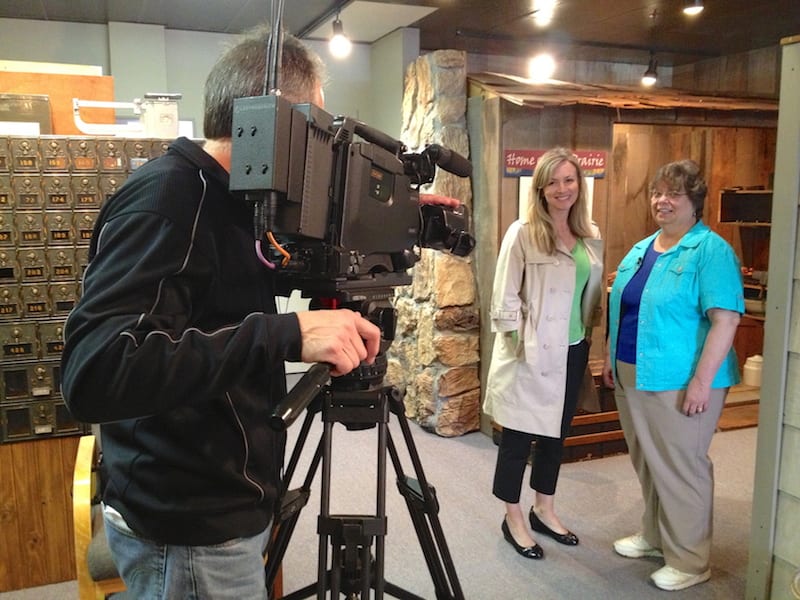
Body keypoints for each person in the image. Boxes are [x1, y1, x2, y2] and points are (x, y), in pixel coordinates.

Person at [60, 27, 457, 599]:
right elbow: (96, 371)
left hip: (223, 499)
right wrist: (285, 334)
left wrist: (398, 215)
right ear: (282, 125)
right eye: (319, 132)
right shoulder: (168, 202)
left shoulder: (233, 200)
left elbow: (225, 293)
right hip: (192, 530)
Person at [602, 159, 743, 591]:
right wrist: (610, 357)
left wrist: (702, 382)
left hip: (680, 381)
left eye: (673, 194)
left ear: (693, 201)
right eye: (657, 193)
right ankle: (657, 536)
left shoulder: (710, 250)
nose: (662, 201)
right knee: (649, 462)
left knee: (682, 467)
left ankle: (690, 559)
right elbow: (626, 308)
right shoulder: (644, 248)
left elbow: (726, 320)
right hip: (633, 373)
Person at [483, 147, 604, 559]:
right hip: (530, 353)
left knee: (556, 437)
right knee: (517, 440)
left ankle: (544, 509)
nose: (562, 189)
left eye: (569, 180)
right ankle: (513, 517)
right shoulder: (522, 231)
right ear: (540, 188)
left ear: (579, 185)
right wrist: (517, 345)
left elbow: (589, 295)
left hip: (573, 351)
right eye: (552, 181)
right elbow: (504, 297)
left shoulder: (590, 234)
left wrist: (589, 338)